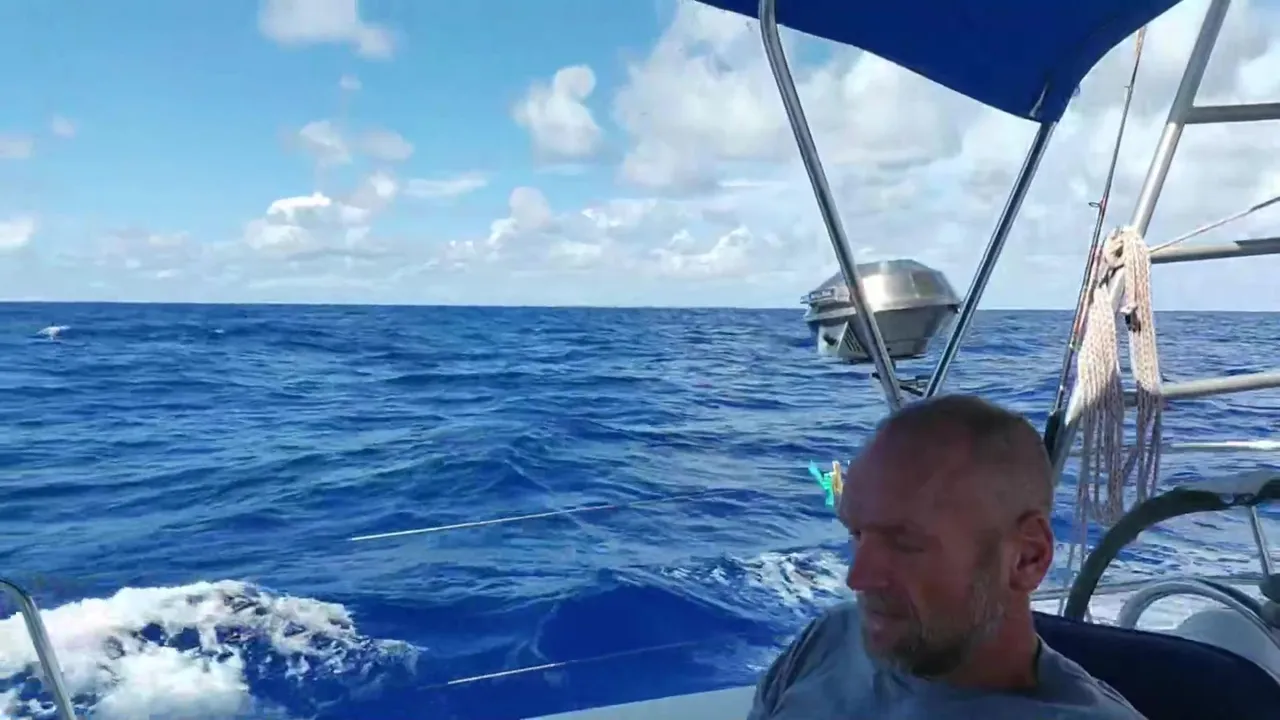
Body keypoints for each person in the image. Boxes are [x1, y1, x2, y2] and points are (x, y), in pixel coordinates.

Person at [747, 394, 1146, 719]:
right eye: (857, 534)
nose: (858, 577)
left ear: (1027, 558)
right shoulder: (828, 641)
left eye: (904, 543)